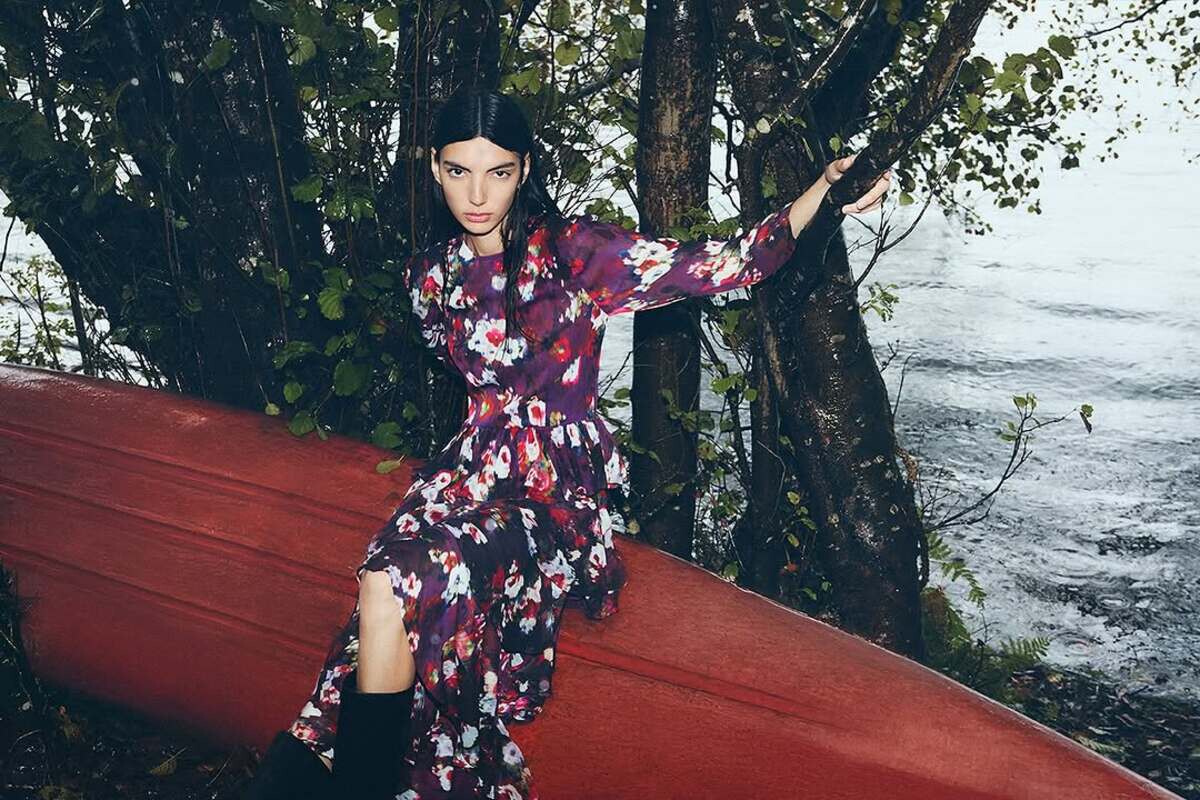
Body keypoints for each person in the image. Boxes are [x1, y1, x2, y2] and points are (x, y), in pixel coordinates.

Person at [242, 87, 891, 800]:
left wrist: (824, 192)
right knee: (379, 589)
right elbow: (465, 372)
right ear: (432, 168)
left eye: (498, 172)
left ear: (524, 169)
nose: (477, 195)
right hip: (465, 478)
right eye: (458, 171)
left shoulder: (574, 254)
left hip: (553, 493)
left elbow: (727, 262)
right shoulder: (429, 277)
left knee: (398, 579)